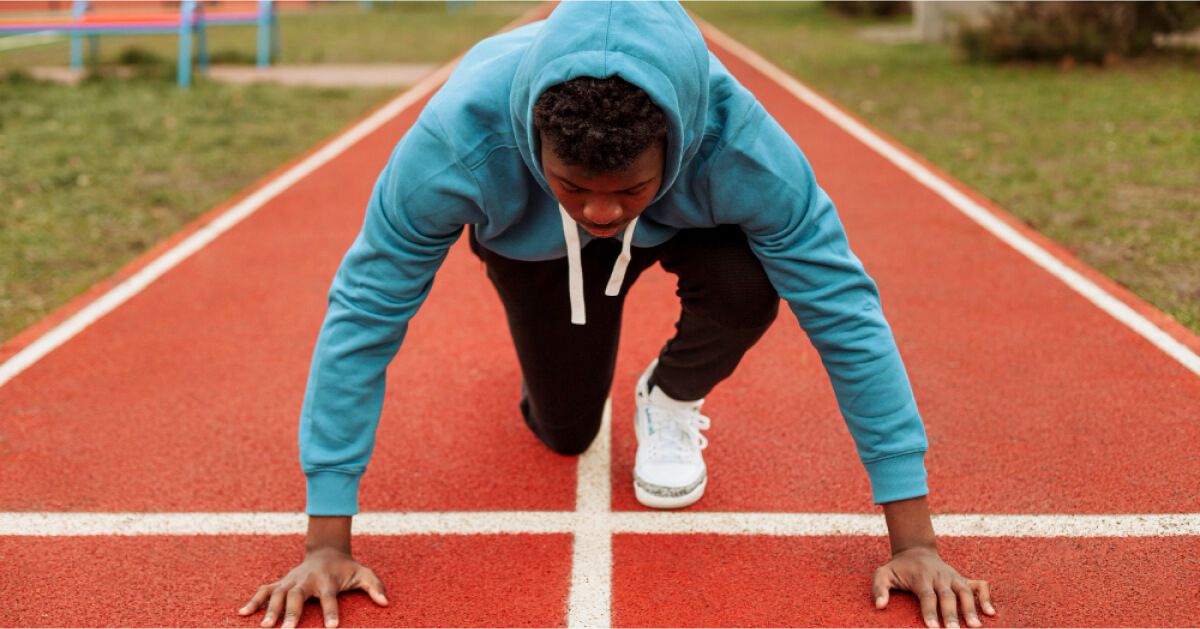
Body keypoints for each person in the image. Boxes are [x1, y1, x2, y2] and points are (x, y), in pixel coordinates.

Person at [238, 2, 997, 628]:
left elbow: (844, 313)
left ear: (678, 142)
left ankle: (670, 392)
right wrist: (325, 541)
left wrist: (916, 539)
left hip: (691, 222)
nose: (601, 211)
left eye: (625, 190)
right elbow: (364, 312)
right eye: (576, 185)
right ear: (536, 143)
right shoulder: (456, 144)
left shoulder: (743, 149)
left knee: (749, 278)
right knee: (567, 429)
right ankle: (554, 297)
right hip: (534, 246)